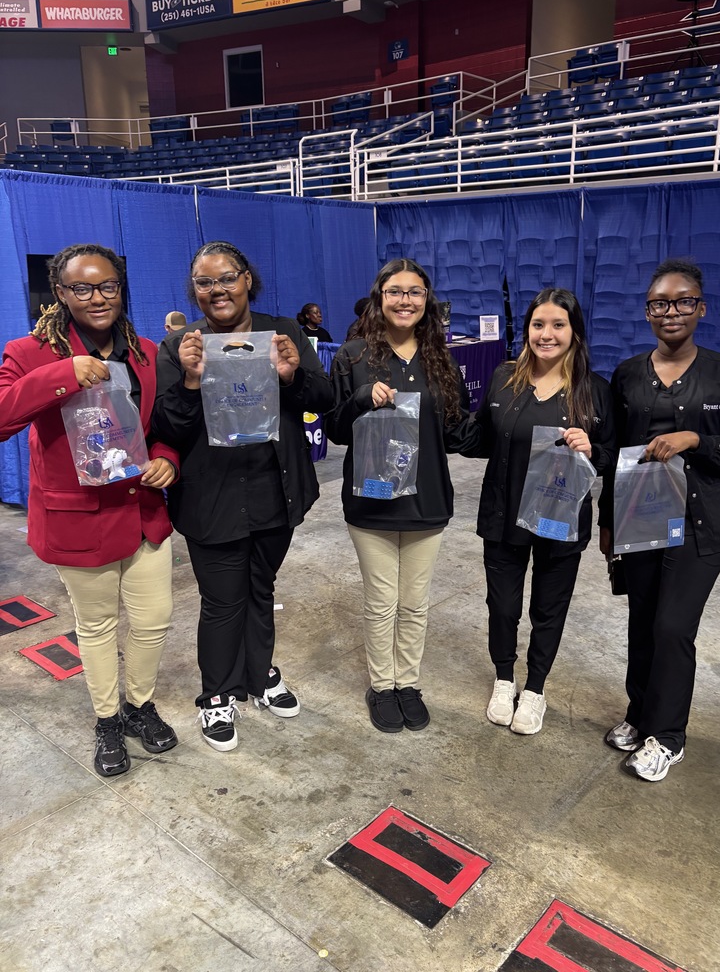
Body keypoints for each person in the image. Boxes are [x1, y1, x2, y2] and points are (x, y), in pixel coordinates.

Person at [0, 244, 179, 777]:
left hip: (143, 511)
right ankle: (107, 719)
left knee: (152, 621)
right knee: (97, 626)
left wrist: (167, 459)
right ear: (60, 292)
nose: (97, 297)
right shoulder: (28, 352)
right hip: (79, 517)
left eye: (108, 286)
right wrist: (62, 374)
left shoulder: (146, 351)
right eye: (82, 287)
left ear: (121, 290)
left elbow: (162, 428)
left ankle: (138, 706)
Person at [152, 241, 333, 752]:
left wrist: (293, 376)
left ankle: (260, 675)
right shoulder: (179, 346)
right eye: (205, 283)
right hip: (210, 497)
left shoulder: (284, 332)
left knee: (260, 589)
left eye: (226, 277)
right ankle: (217, 695)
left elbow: (325, 402)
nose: (217, 290)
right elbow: (166, 425)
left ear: (247, 279)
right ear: (194, 291)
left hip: (276, 490)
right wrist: (189, 382)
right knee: (222, 601)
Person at [599, 259, 720, 781]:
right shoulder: (626, 375)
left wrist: (696, 440)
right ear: (647, 312)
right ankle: (639, 714)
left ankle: (667, 737)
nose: (671, 312)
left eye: (683, 301)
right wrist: (608, 522)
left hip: (701, 524)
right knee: (642, 623)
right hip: (641, 516)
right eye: (660, 303)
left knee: (673, 626)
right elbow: (612, 455)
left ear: (701, 308)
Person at [325, 258, 475, 734]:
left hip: (427, 498)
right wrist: (360, 398)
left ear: (426, 301)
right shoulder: (351, 357)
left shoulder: (442, 361)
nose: (405, 300)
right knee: (381, 601)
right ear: (380, 297)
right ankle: (382, 684)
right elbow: (334, 430)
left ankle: (408, 683)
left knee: (414, 602)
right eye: (395, 291)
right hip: (372, 501)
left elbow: (456, 430)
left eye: (414, 292)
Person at [466, 288, 615, 735]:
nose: (546, 334)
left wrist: (594, 450)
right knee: (503, 606)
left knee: (549, 608)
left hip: (559, 517)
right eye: (537, 324)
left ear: (575, 332)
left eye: (557, 325)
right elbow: (480, 436)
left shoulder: (594, 391)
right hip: (503, 513)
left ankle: (535, 689)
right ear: (526, 328)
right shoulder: (505, 378)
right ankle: (504, 678)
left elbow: (612, 454)